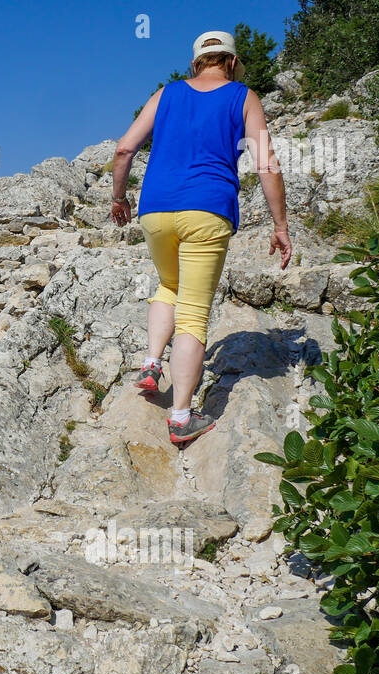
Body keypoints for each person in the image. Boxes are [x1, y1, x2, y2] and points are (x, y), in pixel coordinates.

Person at [110, 30, 292, 444]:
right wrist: (280, 226)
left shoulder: (166, 94)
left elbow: (124, 150)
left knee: (169, 285)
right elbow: (266, 163)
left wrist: (119, 198)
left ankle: (152, 364)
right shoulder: (243, 96)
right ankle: (180, 417)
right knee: (193, 313)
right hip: (208, 210)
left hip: (155, 210)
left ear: (197, 63)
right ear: (230, 62)